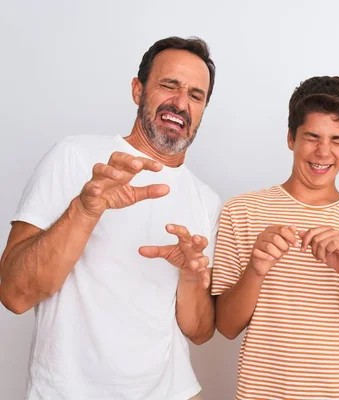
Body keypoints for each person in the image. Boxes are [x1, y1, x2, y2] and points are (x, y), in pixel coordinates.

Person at [0, 36, 221, 400]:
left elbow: (198, 331)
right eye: (169, 85)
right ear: (138, 90)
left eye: (196, 95)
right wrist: (83, 211)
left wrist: (191, 277)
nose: (181, 103)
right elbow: (14, 294)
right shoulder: (74, 156)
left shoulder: (207, 200)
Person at [211, 76, 339, 400]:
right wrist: (255, 270)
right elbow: (226, 327)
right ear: (290, 138)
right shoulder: (241, 211)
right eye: (312, 137)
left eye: (337, 140)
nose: (323, 151)